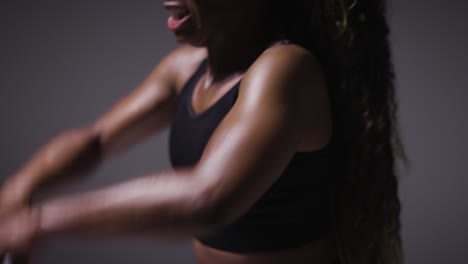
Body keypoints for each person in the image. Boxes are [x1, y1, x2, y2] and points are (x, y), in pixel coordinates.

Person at [0, 0, 407, 263]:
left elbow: (207, 199)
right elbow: (95, 140)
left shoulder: (285, 71)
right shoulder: (184, 70)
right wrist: (20, 188)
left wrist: (39, 222)